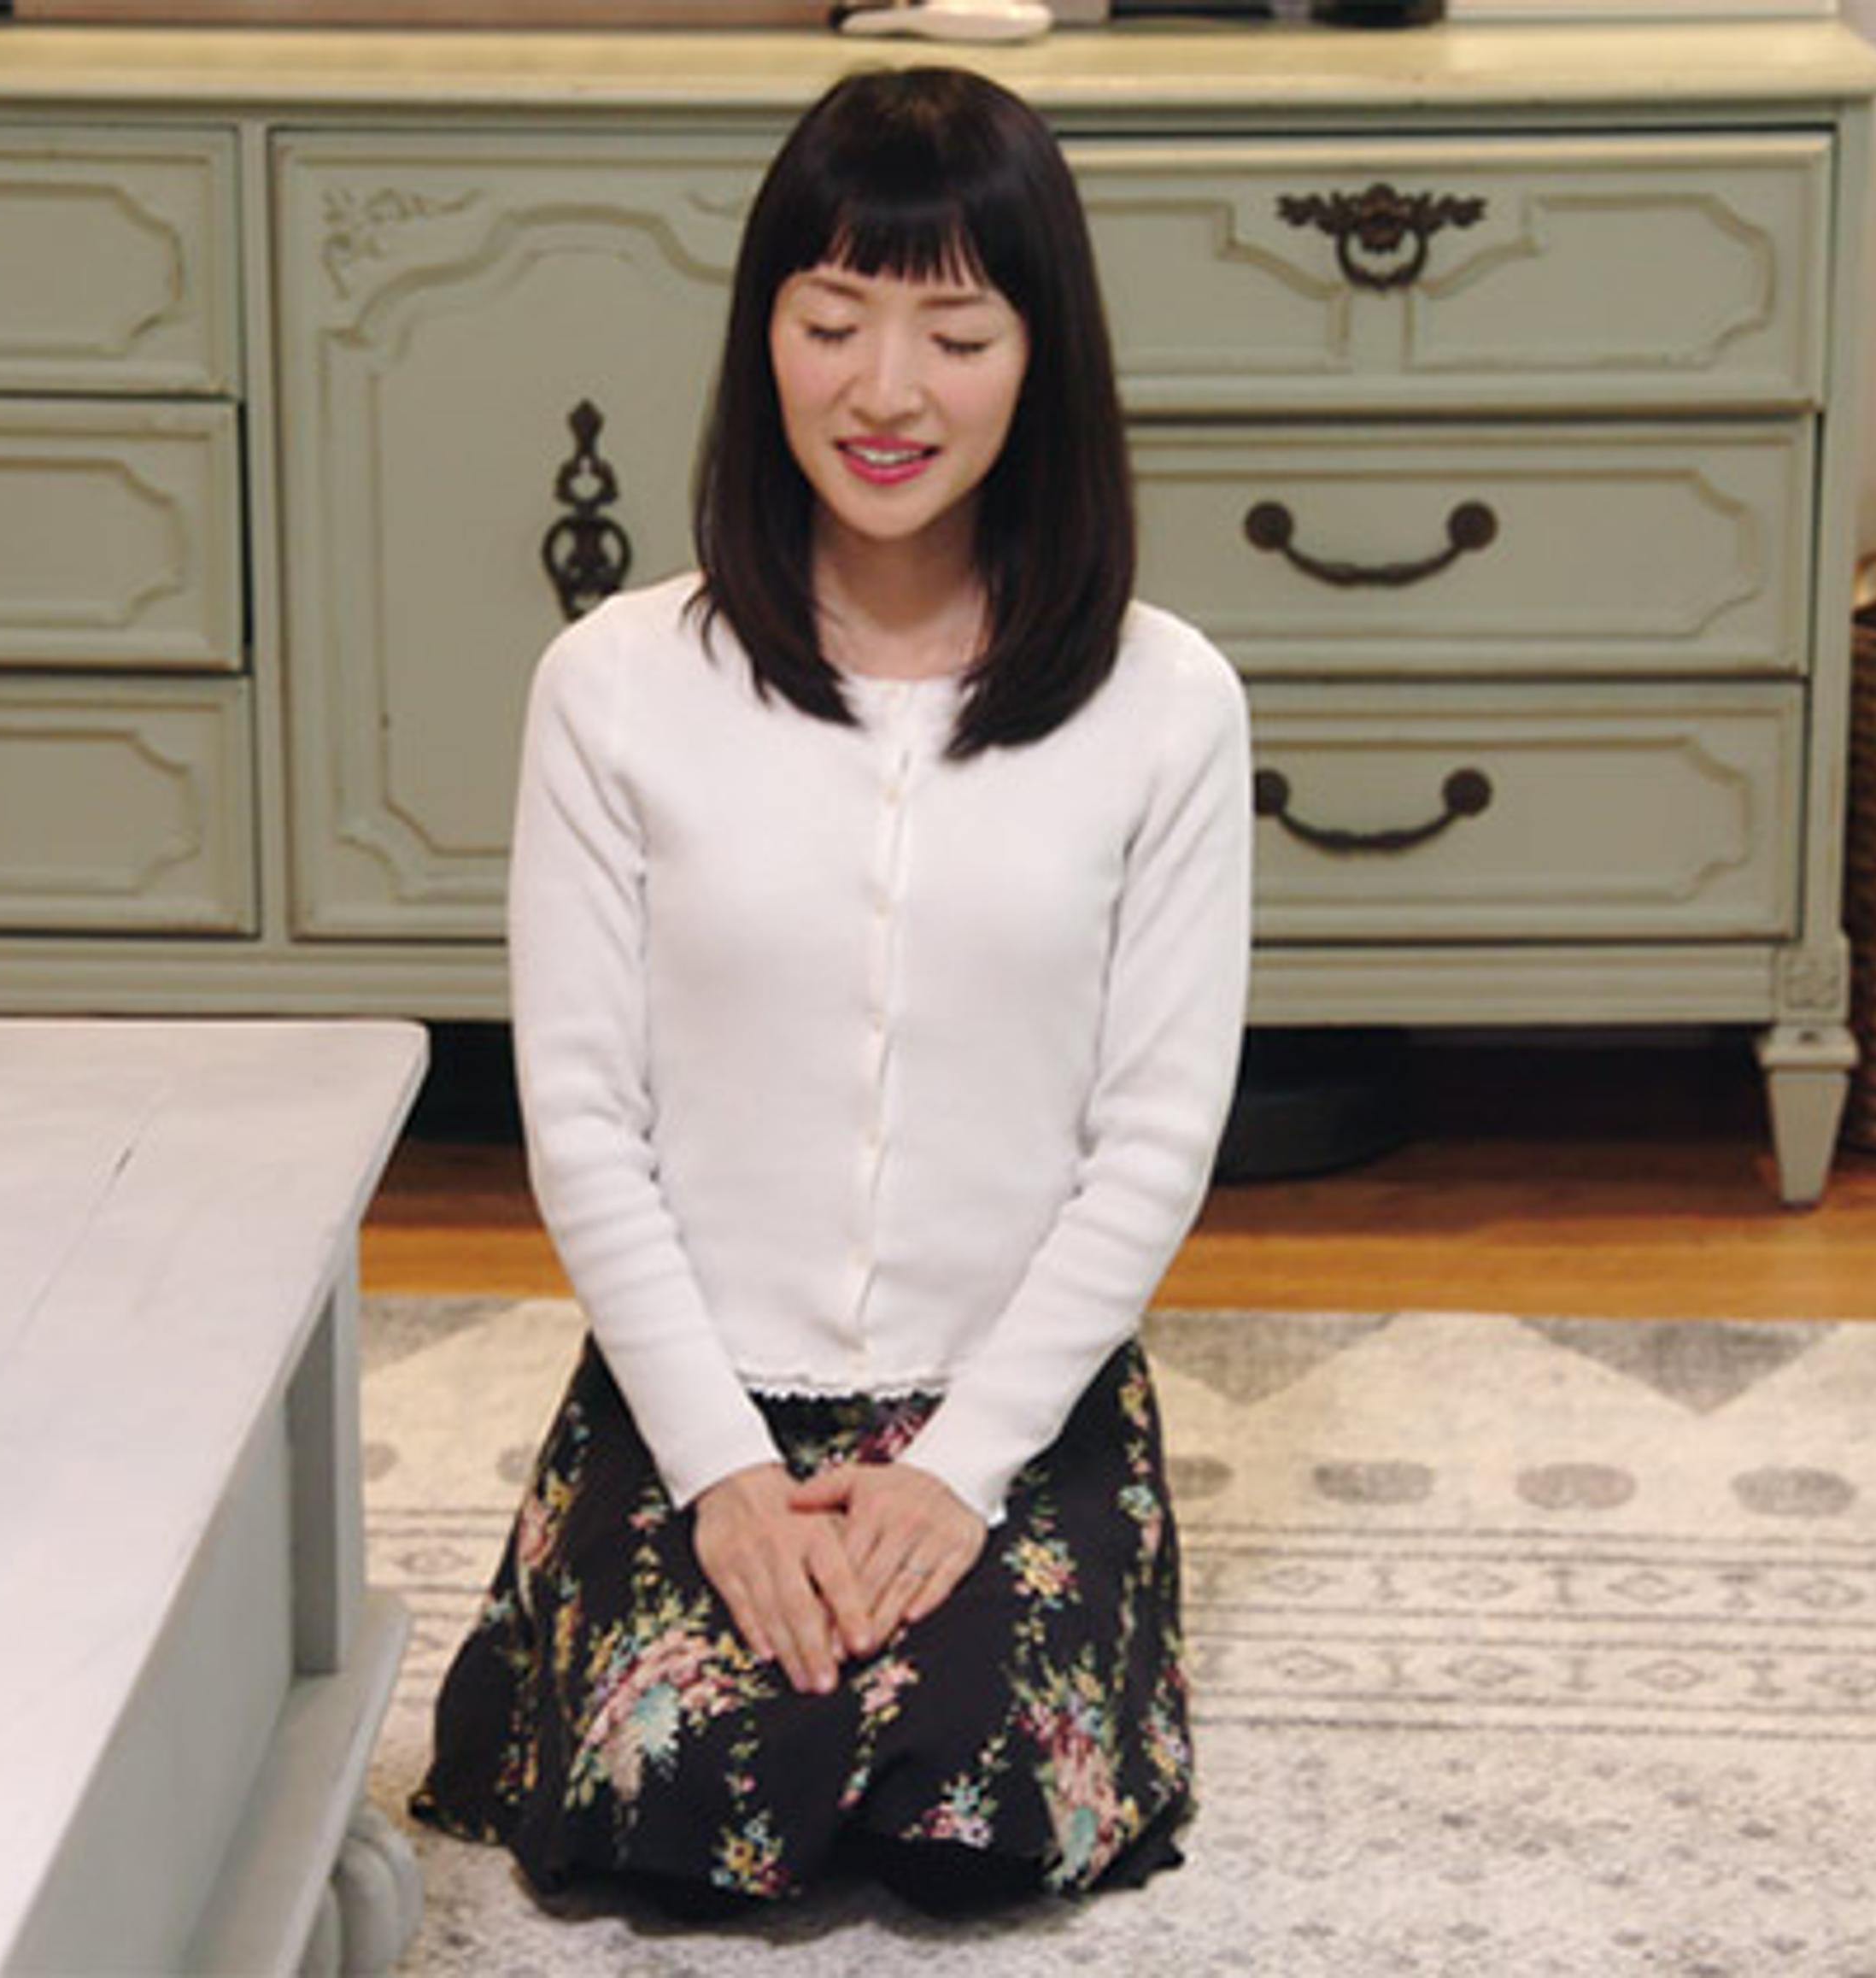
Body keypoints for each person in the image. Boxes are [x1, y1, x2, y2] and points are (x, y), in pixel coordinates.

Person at [412, 62, 1252, 1920]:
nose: (887, 392)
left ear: (1041, 361)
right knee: (683, 1786)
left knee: (983, 1805)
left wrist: (957, 1476)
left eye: (954, 332)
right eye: (833, 321)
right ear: (762, 338)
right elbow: (583, 1120)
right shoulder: (617, 683)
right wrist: (717, 1471)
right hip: (705, 1385)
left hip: (1008, 1398)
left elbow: (1153, 1138)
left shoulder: (1166, 702)